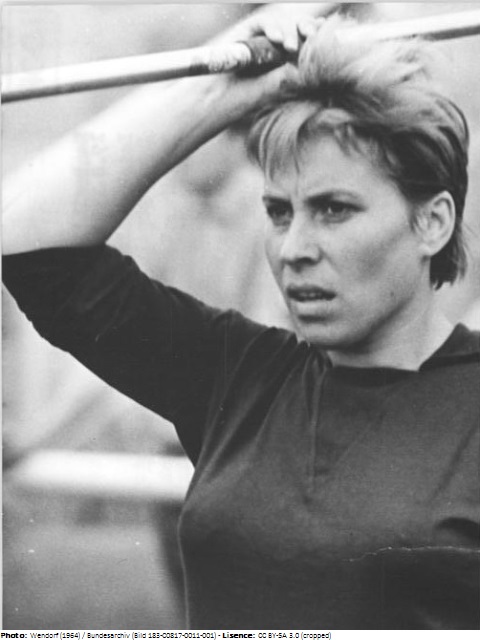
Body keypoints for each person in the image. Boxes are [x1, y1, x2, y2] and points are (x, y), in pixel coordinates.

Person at [3, 5, 479, 631]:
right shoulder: (240, 375)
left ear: (432, 222)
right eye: (279, 212)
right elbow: (25, 242)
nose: (293, 248)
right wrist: (226, 89)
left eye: (334, 209)